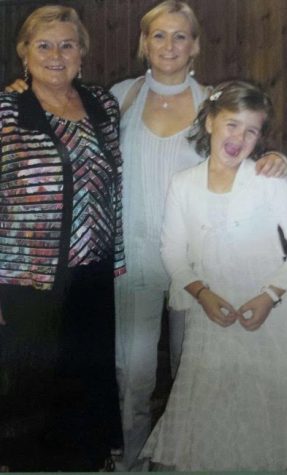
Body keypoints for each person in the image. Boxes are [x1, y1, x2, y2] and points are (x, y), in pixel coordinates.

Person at [6, 1, 287, 470]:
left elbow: (244, 137)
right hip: (131, 259)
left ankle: (191, 457)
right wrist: (23, 88)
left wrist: (272, 157)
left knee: (191, 372)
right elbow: (56, 105)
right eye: (159, 35)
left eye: (181, 36)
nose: (170, 45)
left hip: (197, 268)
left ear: (196, 45)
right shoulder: (115, 97)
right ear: (143, 43)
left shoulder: (214, 102)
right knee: (131, 377)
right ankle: (129, 460)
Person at [141, 80, 287, 471]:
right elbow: (173, 251)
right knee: (213, 405)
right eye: (231, 124)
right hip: (212, 315)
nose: (239, 137)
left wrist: (270, 295)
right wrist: (201, 294)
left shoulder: (268, 181)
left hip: (269, 314)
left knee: (266, 407)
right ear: (209, 121)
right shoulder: (183, 185)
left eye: (252, 130)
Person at [0, 5, 124, 472]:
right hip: (26, 275)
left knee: (86, 374)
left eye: (67, 44)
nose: (56, 54)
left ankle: (85, 460)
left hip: (92, 270)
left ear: (82, 54)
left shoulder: (101, 105)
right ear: (24, 52)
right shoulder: (7, 111)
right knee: (31, 380)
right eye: (44, 44)